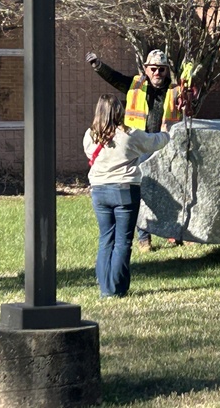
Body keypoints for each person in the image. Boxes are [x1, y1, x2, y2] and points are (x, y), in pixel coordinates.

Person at [85, 49, 181, 251]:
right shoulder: (135, 85)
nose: (157, 73)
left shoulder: (175, 90)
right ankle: (144, 238)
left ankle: (173, 232)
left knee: (171, 191)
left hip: (165, 148)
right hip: (139, 148)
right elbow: (115, 78)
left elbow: (188, 105)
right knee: (141, 192)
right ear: (146, 69)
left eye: (162, 70)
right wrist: (98, 66)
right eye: (154, 69)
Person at [84, 94, 170, 298]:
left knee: (106, 238)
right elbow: (155, 142)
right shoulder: (129, 135)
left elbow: (90, 155)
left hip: (98, 191)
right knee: (123, 241)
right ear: (119, 112)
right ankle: (117, 288)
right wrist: (166, 132)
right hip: (124, 190)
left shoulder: (89, 135)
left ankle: (105, 287)